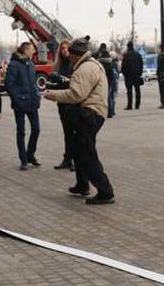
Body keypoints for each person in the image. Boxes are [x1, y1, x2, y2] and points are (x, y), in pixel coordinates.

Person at [43, 38, 114, 205]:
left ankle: (105, 191)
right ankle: (82, 185)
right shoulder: (90, 64)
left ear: (76, 55)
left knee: (87, 153)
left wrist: (53, 95)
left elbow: (76, 95)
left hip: (90, 114)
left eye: (71, 53)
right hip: (93, 112)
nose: (69, 56)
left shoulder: (85, 69)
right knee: (77, 148)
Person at [4, 42, 41, 170]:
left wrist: (37, 96)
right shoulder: (14, 64)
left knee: (36, 129)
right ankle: (23, 159)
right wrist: (17, 99)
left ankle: (30, 154)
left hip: (32, 103)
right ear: (25, 50)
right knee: (21, 132)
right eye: (32, 49)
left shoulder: (31, 64)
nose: (33, 52)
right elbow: (9, 84)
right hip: (20, 103)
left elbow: (34, 83)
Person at [52, 40, 74, 170]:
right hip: (62, 102)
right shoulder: (59, 65)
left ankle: (76, 160)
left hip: (72, 102)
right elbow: (57, 83)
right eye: (63, 48)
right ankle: (67, 159)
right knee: (67, 133)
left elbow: (78, 83)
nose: (65, 50)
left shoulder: (75, 64)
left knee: (74, 133)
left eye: (67, 48)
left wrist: (67, 80)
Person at [120, 42, 143, 110]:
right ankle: (137, 105)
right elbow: (141, 65)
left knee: (129, 91)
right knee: (137, 90)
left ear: (128, 47)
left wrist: (125, 74)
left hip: (128, 76)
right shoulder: (138, 55)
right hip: (137, 75)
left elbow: (123, 67)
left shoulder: (126, 55)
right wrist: (139, 73)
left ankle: (129, 105)